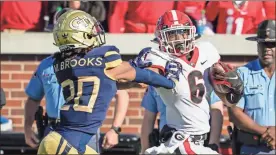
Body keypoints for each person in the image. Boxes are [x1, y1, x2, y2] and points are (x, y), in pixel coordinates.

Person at [37, 9, 180, 154]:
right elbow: (145, 76)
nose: (96, 33)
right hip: (67, 144)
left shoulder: (61, 64)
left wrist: (133, 80)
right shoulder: (103, 61)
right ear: (80, 35)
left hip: (59, 140)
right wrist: (170, 81)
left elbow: (112, 83)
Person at [132, 10, 243, 154]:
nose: (178, 38)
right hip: (176, 140)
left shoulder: (207, 54)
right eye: (172, 34)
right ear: (161, 38)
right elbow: (148, 115)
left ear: (190, 33)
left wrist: (229, 88)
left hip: (199, 139)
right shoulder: (160, 61)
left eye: (182, 32)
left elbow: (222, 103)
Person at [228, 19, 275, 154]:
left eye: (271, 44)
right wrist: (266, 133)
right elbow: (234, 113)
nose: (266, 49)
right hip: (251, 149)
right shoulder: (241, 74)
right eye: (262, 44)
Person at [140, 88, 224, 153]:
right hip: (167, 143)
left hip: (197, 142)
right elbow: (148, 119)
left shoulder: (203, 75)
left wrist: (214, 143)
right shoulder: (154, 83)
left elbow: (216, 111)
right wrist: (145, 149)